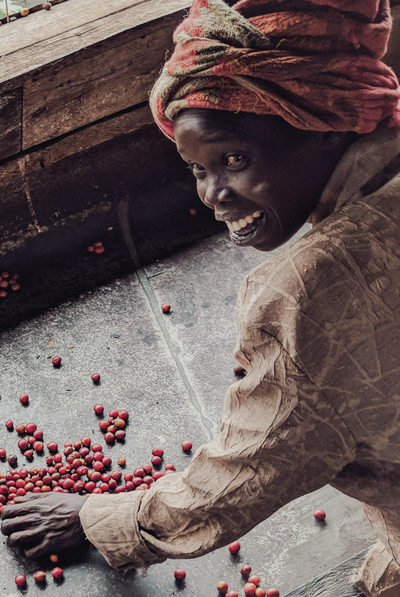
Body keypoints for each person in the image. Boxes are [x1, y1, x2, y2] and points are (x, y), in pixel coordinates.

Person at [2, 1, 400, 595]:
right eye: (196, 168)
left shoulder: (307, 293)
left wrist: (101, 519)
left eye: (234, 159)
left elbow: (251, 468)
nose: (213, 195)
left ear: (328, 122)